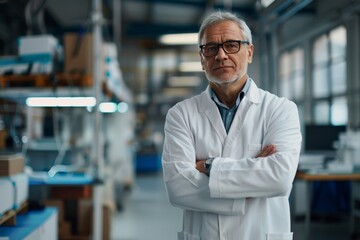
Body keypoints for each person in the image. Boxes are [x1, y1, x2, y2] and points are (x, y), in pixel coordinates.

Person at [162, 10, 302, 240]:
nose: (221, 55)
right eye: (211, 48)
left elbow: (280, 178)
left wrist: (209, 166)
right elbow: (178, 189)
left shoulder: (280, 109)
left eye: (231, 45)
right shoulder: (181, 115)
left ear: (249, 52)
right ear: (201, 58)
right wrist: (252, 180)